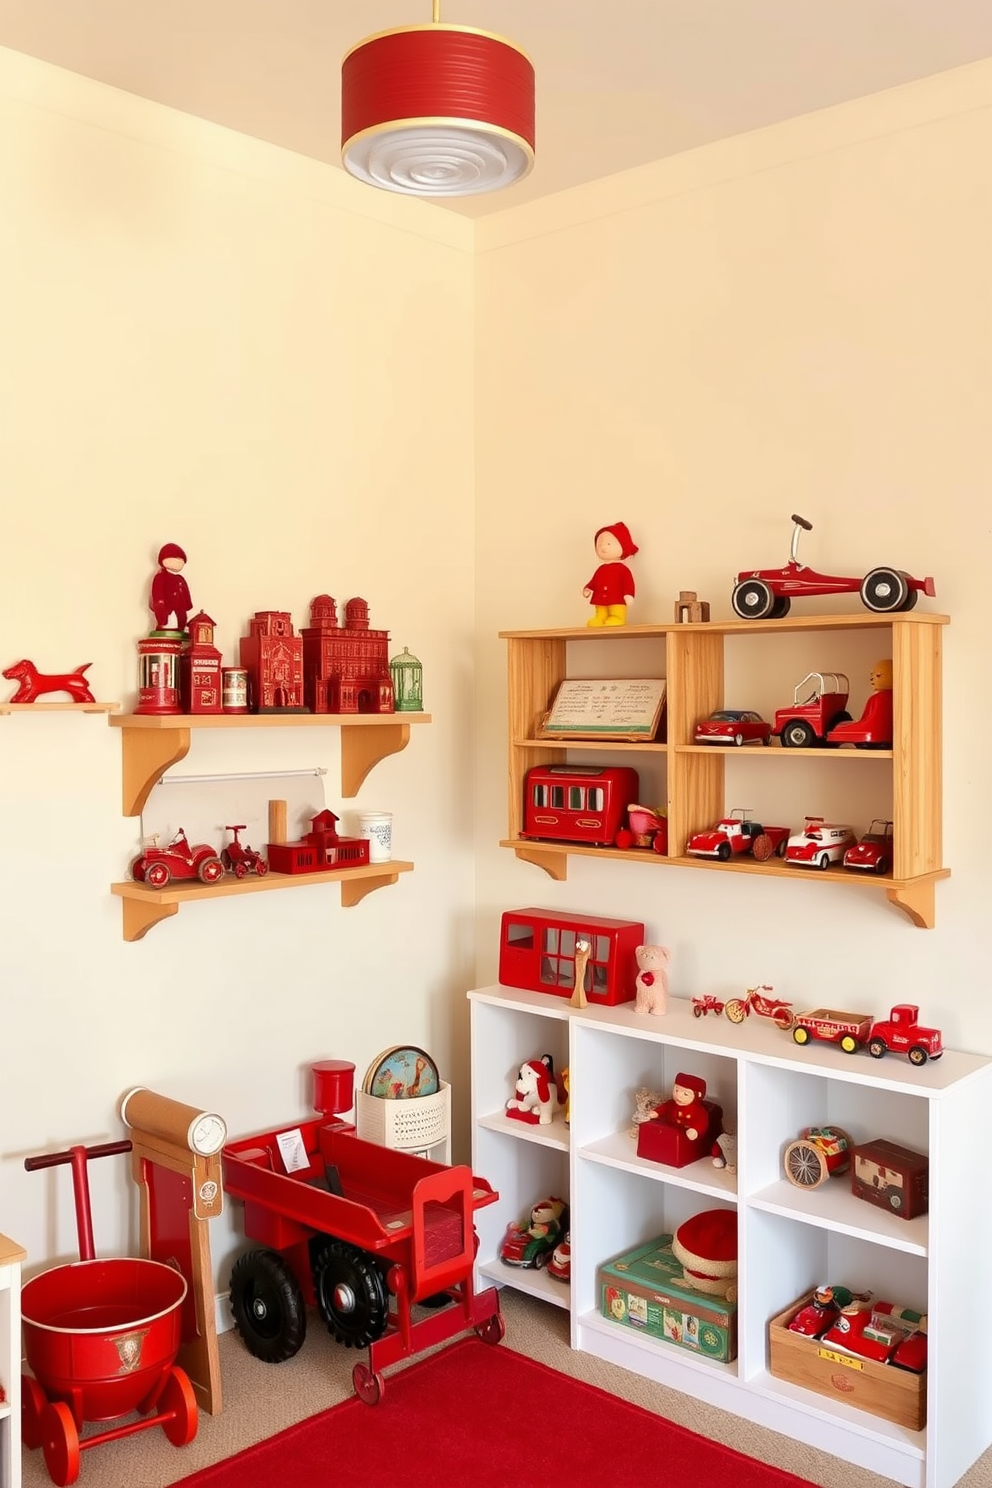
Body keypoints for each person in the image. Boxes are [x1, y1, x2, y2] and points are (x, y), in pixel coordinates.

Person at [583, 522, 638, 627]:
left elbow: (628, 582)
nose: (603, 548)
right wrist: (588, 588)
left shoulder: (622, 569)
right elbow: (594, 581)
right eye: (600, 545)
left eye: (608, 544)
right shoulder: (601, 569)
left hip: (617, 599)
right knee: (600, 611)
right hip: (600, 600)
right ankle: (600, 618)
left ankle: (617, 618)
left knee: (616, 610)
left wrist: (629, 594)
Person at [150, 543, 192, 633]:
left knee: (179, 622)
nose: (179, 561)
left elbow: (185, 593)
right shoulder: (160, 577)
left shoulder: (180, 579)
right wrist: (160, 609)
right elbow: (157, 595)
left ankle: (180, 626)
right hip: (167, 611)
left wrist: (187, 604)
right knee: (169, 623)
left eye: (181, 560)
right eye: (176, 558)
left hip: (179, 611)